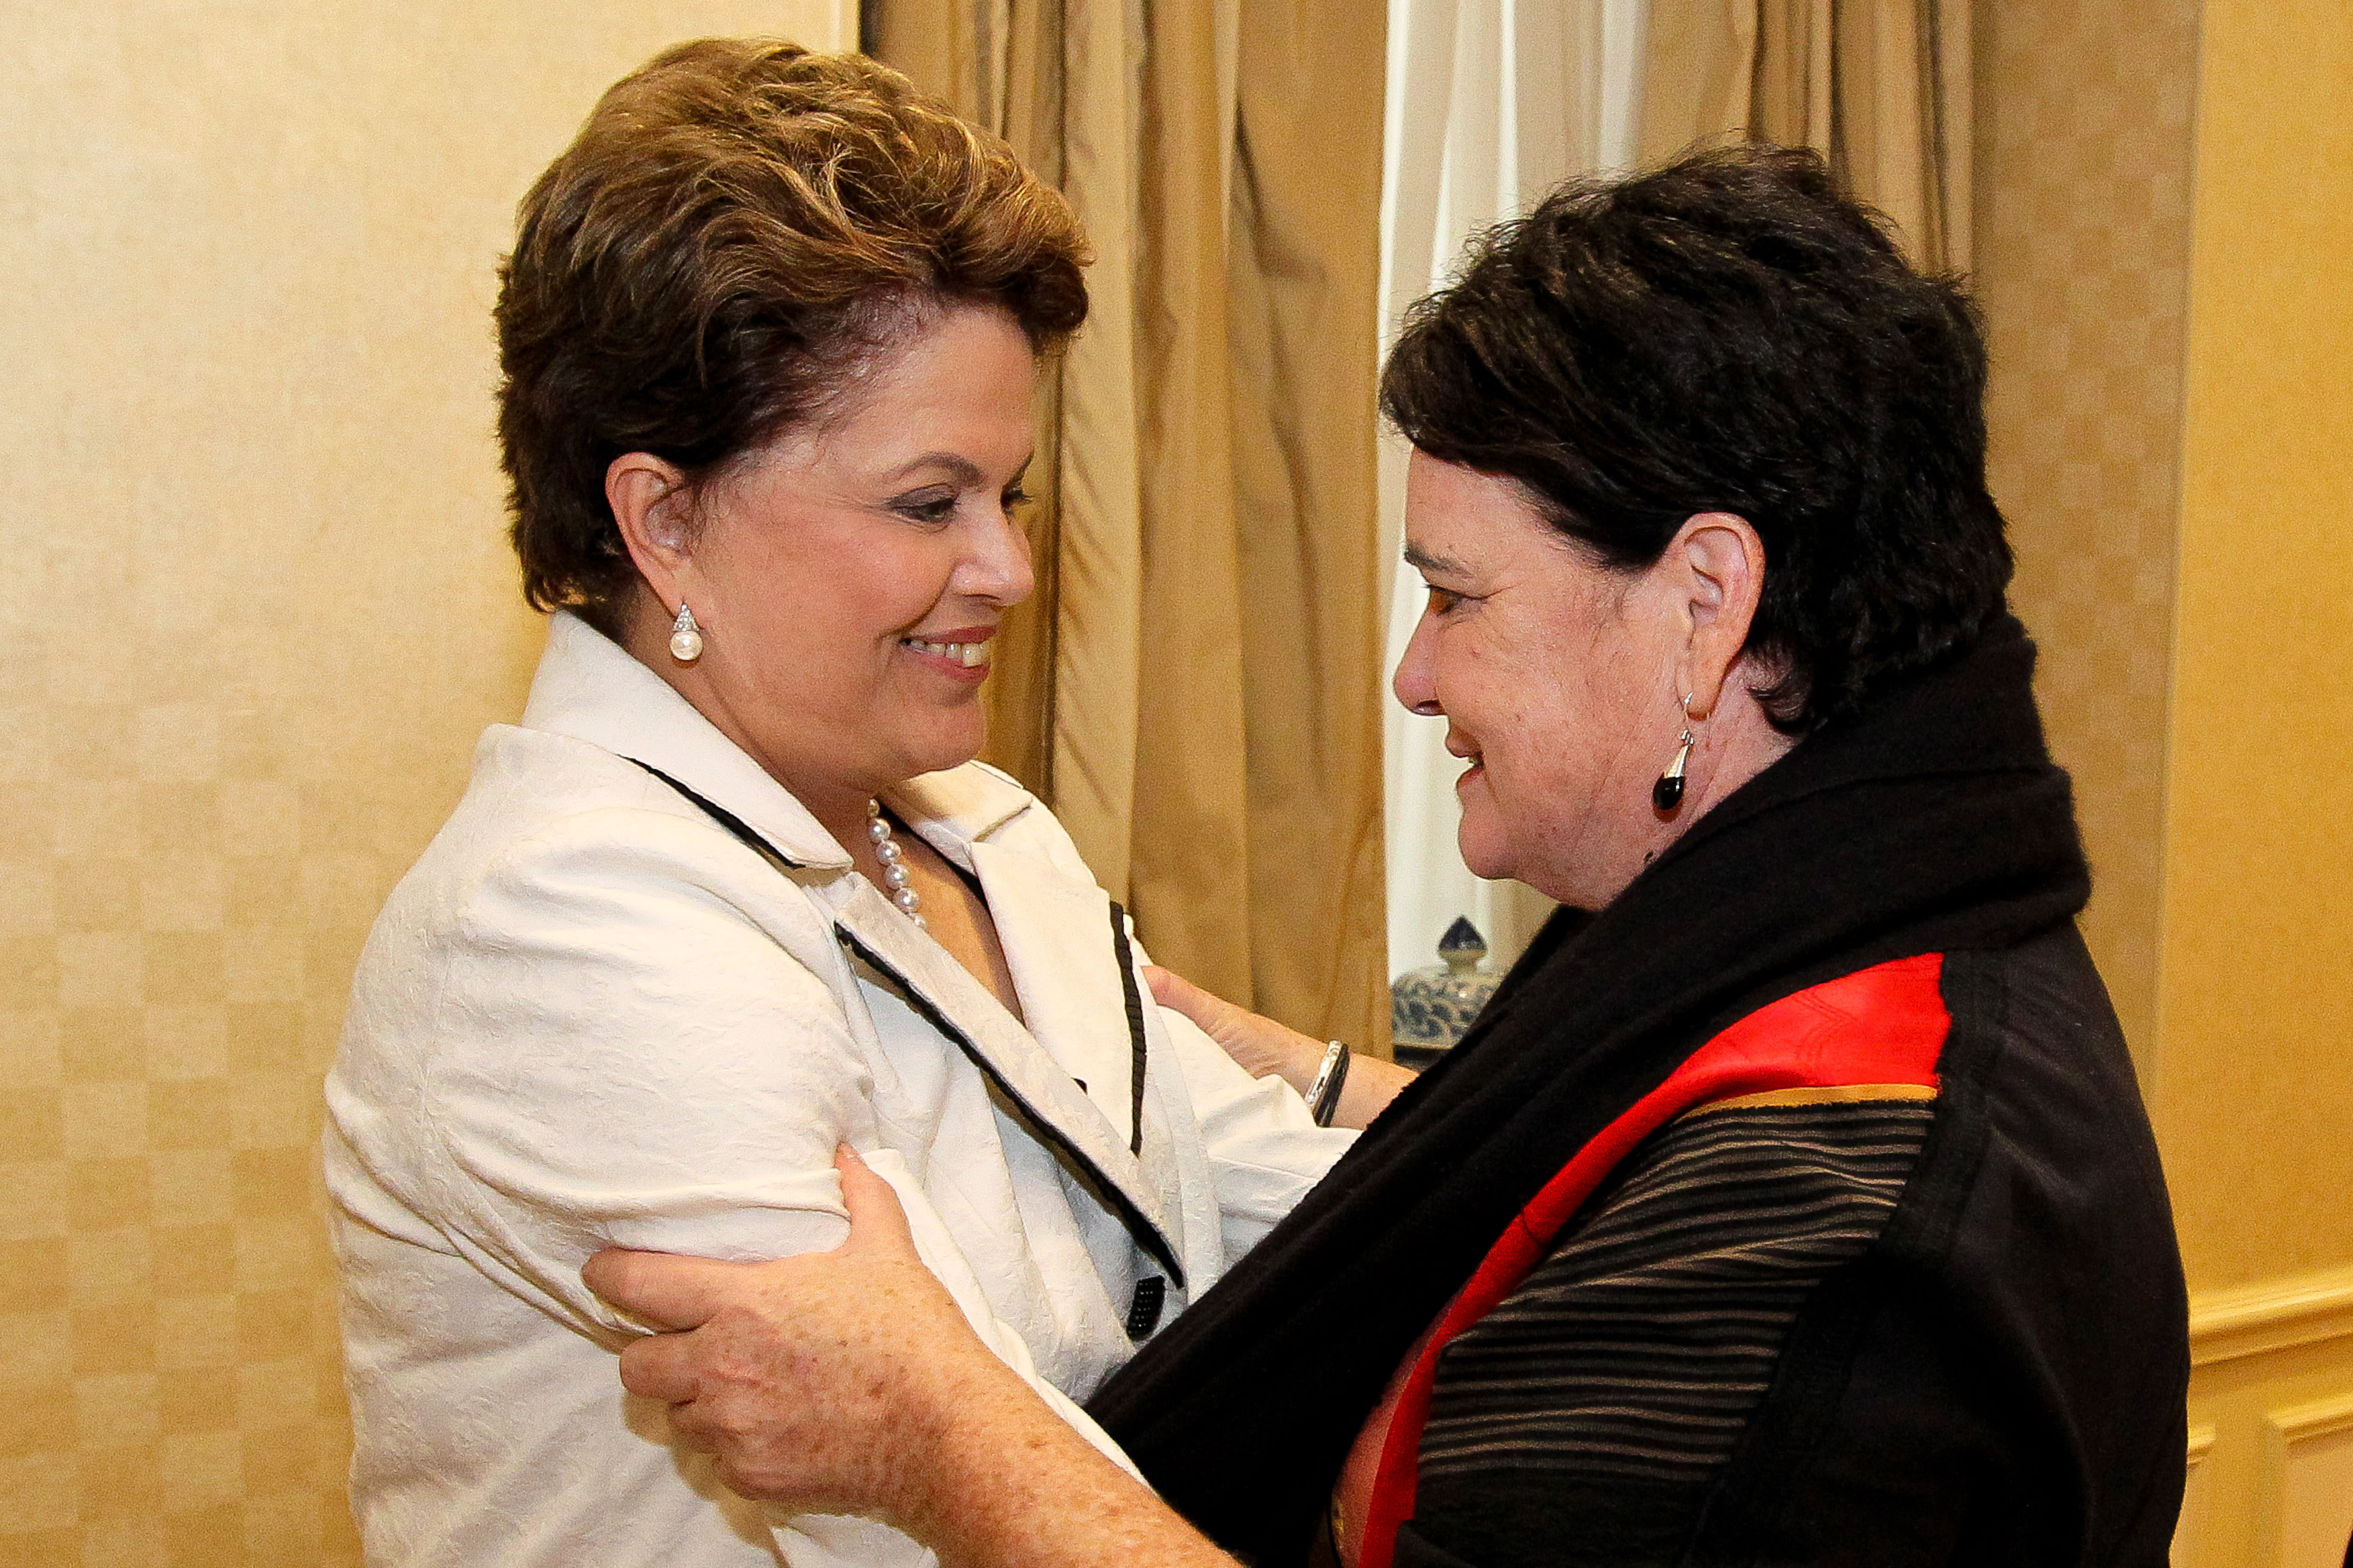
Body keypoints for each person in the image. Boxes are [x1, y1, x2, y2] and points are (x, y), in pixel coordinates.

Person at [585, 146, 2192, 1567]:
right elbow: (1551, 1145)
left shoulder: (1814, 1228)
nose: (1416, 675)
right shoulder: (1840, 931)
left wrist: (938, 1444)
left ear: (1704, 603)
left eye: (1457, 596)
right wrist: (1274, 1057)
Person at [321, 39, 1359, 1568]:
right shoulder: (568, 926)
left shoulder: (981, 831)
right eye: (926, 502)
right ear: (664, 517)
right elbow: (928, 1495)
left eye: (1007, 495)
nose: (1004, 567)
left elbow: (1305, 1218)